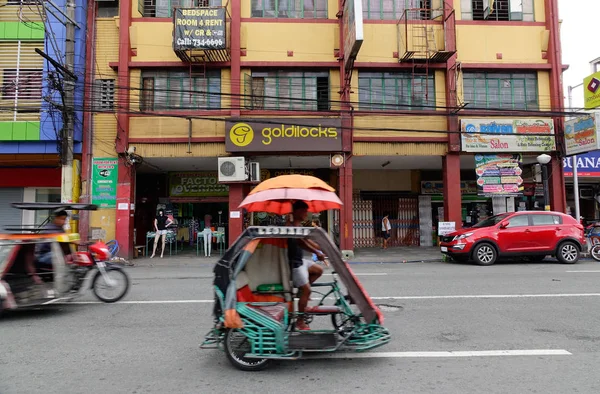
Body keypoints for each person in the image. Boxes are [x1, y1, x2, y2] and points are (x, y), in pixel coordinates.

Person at [288, 201, 325, 331]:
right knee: (307, 290)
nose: (306, 213)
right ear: (296, 211)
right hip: (294, 264)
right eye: (304, 211)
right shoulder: (290, 226)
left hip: (301, 260)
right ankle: (300, 321)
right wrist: (316, 252)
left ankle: (301, 291)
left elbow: (306, 240)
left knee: (319, 270)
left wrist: (322, 248)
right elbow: (301, 243)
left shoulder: (298, 225)